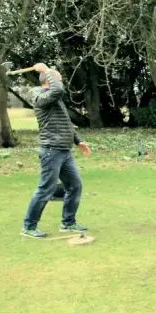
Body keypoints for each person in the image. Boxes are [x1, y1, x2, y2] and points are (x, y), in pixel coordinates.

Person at [21, 63, 92, 238]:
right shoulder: (39, 95)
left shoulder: (54, 98)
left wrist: (79, 141)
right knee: (46, 189)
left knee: (74, 186)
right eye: (57, 78)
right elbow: (58, 89)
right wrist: (46, 71)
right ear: (48, 80)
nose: (60, 81)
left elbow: (66, 124)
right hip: (51, 151)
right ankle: (28, 227)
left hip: (64, 151)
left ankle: (68, 223)